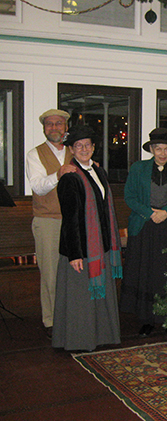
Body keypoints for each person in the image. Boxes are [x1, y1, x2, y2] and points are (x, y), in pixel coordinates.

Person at [52, 125, 122, 351]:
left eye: (88, 145)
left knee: (99, 297)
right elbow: (70, 219)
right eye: (78, 146)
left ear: (93, 148)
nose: (84, 149)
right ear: (71, 149)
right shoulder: (69, 177)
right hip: (81, 249)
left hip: (100, 246)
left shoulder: (100, 172)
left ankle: (101, 335)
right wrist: (75, 254)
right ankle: (79, 340)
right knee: (80, 300)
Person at [119, 128, 167, 336]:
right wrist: (149, 213)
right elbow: (129, 197)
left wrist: (166, 212)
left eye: (166, 149)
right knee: (145, 273)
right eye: (158, 148)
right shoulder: (138, 168)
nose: (162, 153)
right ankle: (146, 319)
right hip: (143, 227)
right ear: (151, 149)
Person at [26, 109, 76, 338]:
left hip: (74, 221)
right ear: (44, 128)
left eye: (59, 123)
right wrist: (59, 174)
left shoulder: (75, 151)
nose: (54, 127)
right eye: (49, 124)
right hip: (47, 221)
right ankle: (52, 322)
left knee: (73, 272)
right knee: (50, 273)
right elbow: (38, 187)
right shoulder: (34, 154)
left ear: (66, 127)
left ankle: (72, 317)